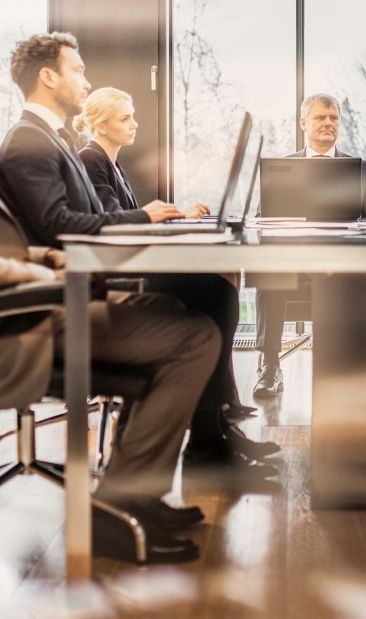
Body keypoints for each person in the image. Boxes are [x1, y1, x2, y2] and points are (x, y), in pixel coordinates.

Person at [0, 33, 277, 479]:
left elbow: (80, 218)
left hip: (77, 292)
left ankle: (166, 470)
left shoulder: (48, 139)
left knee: (205, 293)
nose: (86, 82)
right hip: (56, 308)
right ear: (48, 77)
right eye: (78, 70)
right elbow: (61, 225)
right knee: (197, 325)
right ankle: (136, 490)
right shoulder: (27, 141)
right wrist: (146, 220)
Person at [0, 195, 221, 563]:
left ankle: (137, 494)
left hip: (30, 304)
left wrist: (46, 258)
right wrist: (49, 274)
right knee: (195, 337)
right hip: (20, 324)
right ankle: (116, 507)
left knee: (165, 308)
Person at [73, 85, 280, 467]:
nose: (135, 123)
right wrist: (161, 217)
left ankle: (214, 426)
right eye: (125, 118)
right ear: (101, 125)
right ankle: (208, 433)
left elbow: (127, 219)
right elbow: (112, 225)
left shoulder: (110, 163)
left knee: (218, 289)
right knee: (216, 293)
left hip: (129, 268)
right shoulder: (91, 159)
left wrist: (178, 218)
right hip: (118, 278)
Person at [253, 92, 366, 397]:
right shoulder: (281, 168)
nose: (328, 123)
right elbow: (262, 219)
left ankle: (349, 368)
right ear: (303, 123)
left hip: (342, 265)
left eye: (334, 117)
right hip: (294, 266)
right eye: (320, 117)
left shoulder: (359, 168)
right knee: (272, 270)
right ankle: (271, 367)